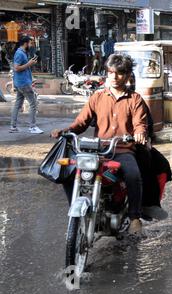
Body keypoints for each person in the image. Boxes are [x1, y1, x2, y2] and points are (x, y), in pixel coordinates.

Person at [51, 54, 150, 235]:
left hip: (122, 150)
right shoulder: (97, 97)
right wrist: (66, 130)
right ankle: (77, 210)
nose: (114, 76)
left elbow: (140, 124)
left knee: (133, 174)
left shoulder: (135, 99)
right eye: (111, 72)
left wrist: (139, 134)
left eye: (119, 73)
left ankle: (135, 217)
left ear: (127, 75)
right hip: (98, 150)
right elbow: (81, 123)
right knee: (68, 172)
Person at [10, 36, 42, 134]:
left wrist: (30, 63)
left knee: (17, 104)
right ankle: (32, 127)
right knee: (33, 104)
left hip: (20, 82)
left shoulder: (22, 52)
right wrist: (29, 64)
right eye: (31, 43)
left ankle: (13, 127)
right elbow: (16, 68)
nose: (32, 45)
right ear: (25, 43)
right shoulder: (20, 53)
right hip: (23, 83)